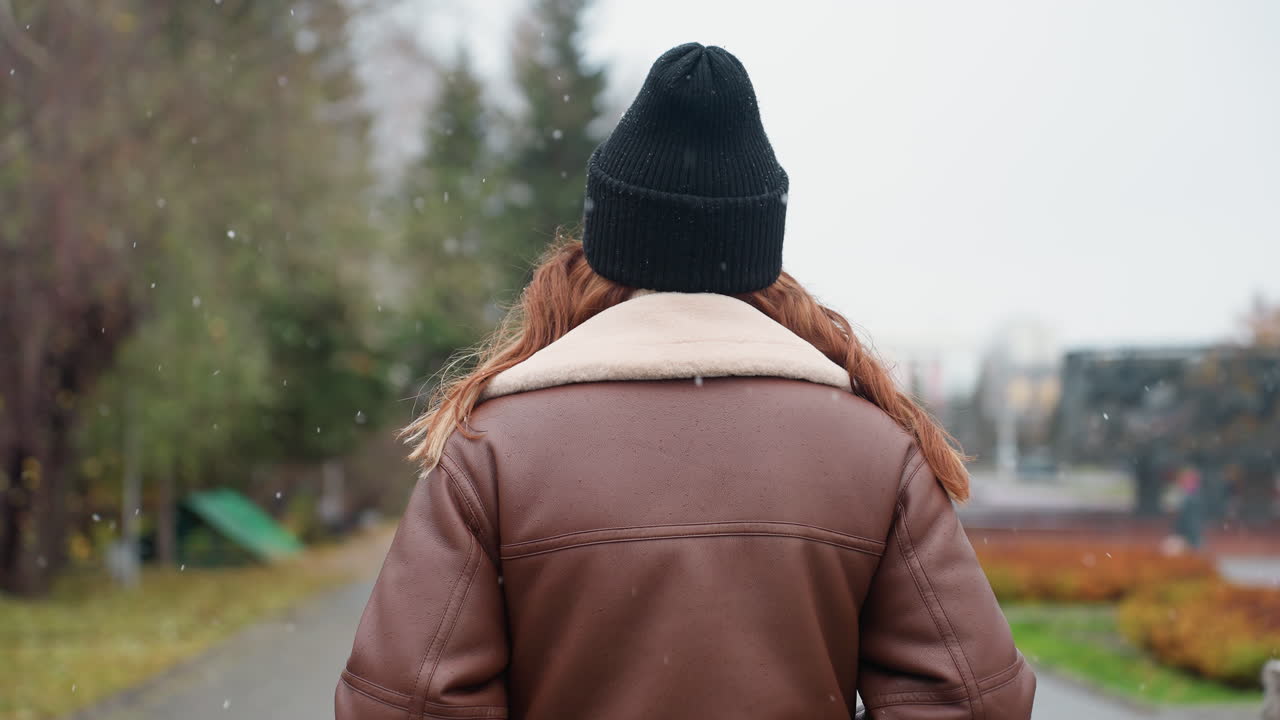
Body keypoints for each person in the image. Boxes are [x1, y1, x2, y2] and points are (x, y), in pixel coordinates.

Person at [336, 43, 1035, 720]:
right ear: (760, 248)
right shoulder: (877, 449)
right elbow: (974, 701)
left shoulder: (491, 446)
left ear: (604, 245)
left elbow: (408, 704)